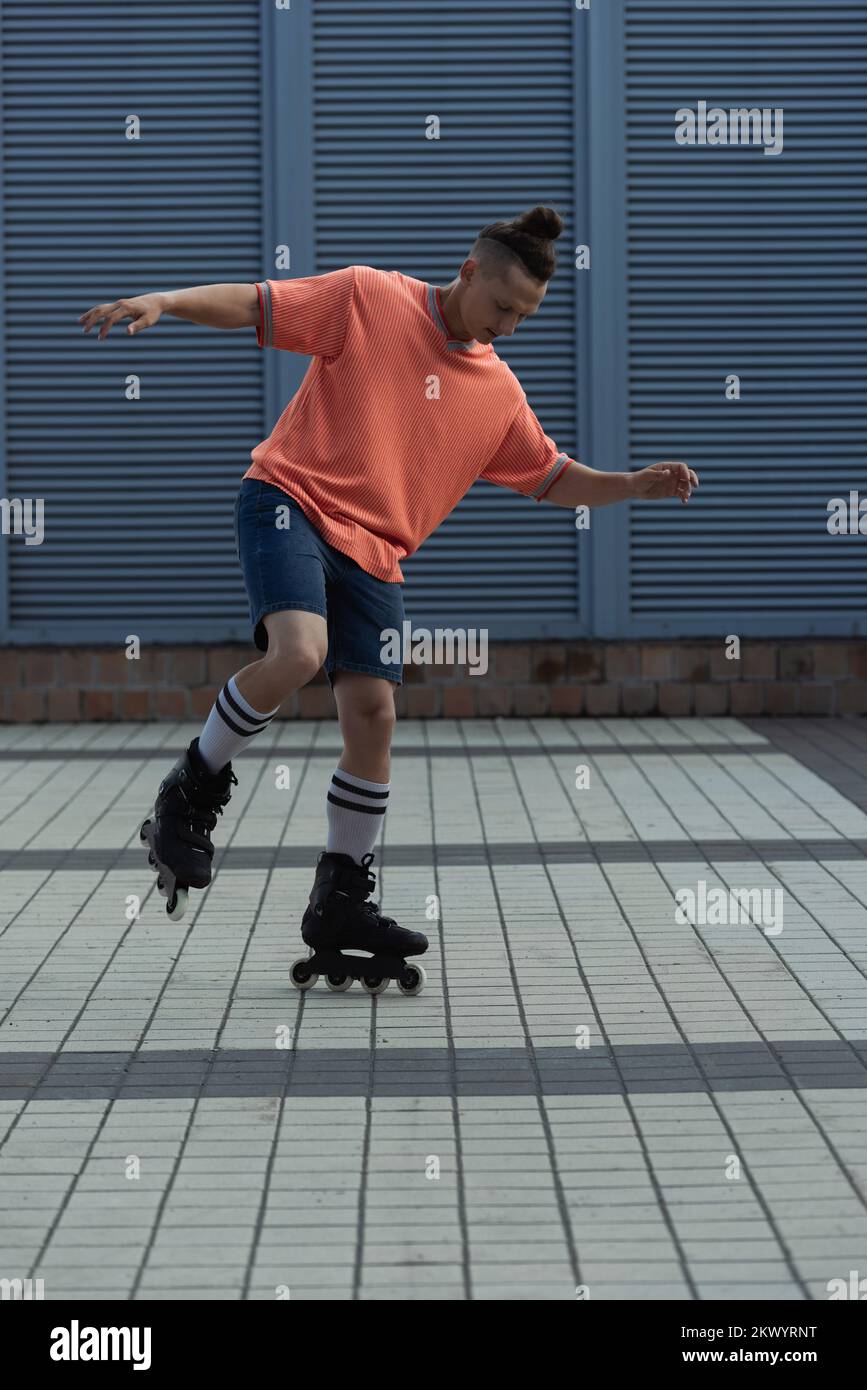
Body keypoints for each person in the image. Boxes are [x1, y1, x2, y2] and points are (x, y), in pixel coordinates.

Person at [79, 205, 698, 993]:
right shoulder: (370, 298)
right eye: (502, 305)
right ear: (468, 271)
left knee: (373, 718)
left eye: (526, 315)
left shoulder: (496, 391)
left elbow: (549, 475)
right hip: (289, 500)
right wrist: (165, 301)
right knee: (297, 653)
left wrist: (631, 485)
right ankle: (190, 792)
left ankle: (341, 894)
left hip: (375, 553)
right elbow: (255, 302)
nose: (509, 325)